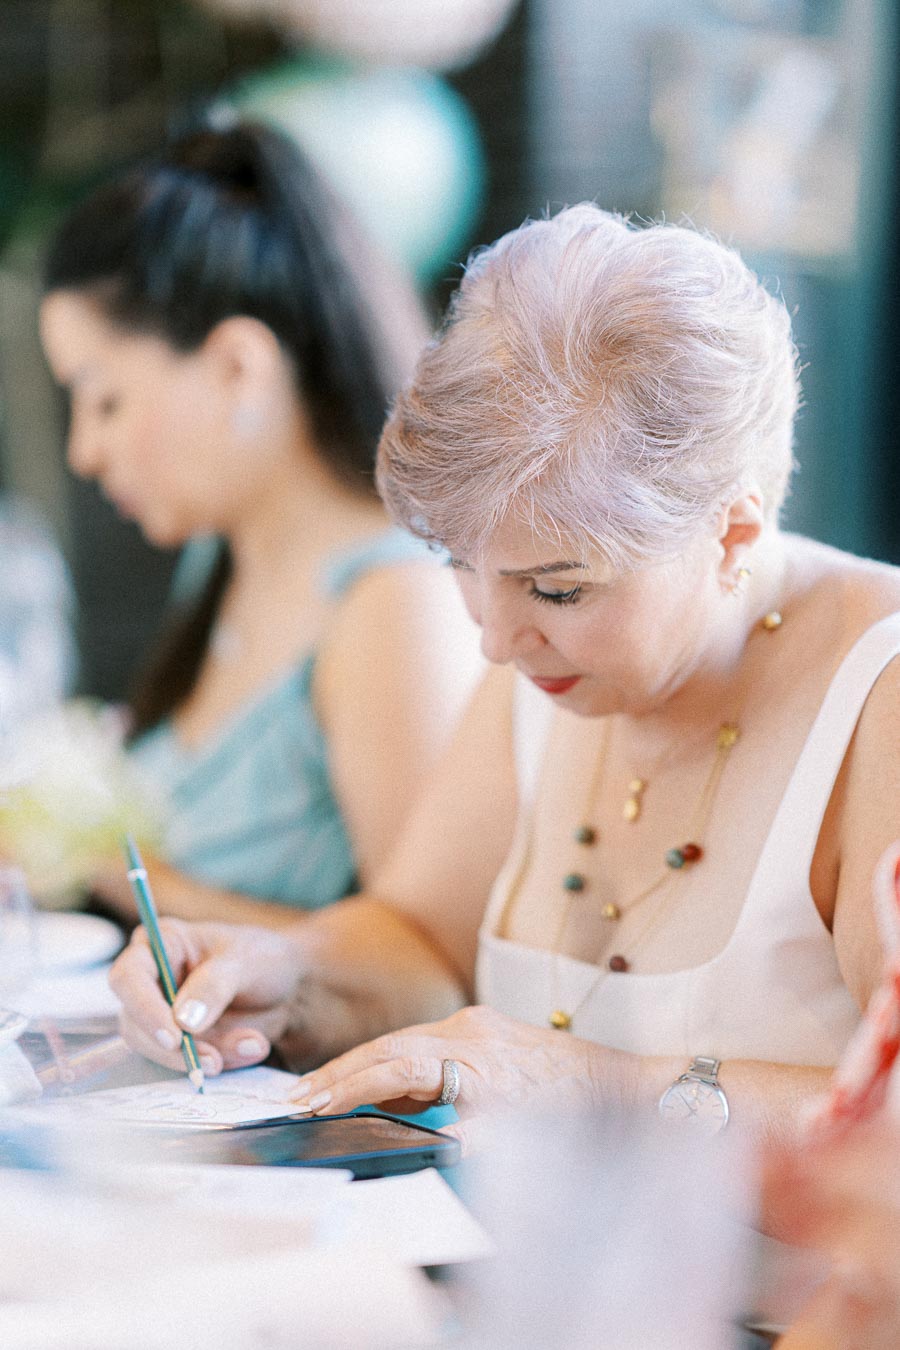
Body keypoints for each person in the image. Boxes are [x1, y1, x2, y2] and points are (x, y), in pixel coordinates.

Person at [110, 204, 900, 1159]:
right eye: (462, 566)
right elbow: (423, 940)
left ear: (730, 532)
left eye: (558, 587)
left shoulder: (877, 691)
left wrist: (586, 1084)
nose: (495, 641)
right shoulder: (547, 658)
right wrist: (285, 970)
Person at [38, 120, 481, 926]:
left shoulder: (394, 607)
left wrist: (111, 872)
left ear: (238, 368)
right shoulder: (221, 556)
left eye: (104, 399)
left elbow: (424, 972)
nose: (84, 452)